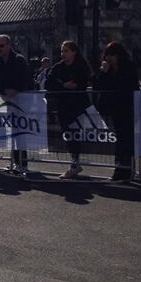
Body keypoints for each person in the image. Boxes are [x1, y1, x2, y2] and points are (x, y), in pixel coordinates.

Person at [94, 41, 140, 182]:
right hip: (115, 108)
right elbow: (98, 86)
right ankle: (119, 169)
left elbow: (123, 86)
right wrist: (103, 72)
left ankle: (127, 170)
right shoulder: (107, 69)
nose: (109, 58)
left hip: (127, 107)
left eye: (112, 55)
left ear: (119, 55)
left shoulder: (127, 67)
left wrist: (110, 75)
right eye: (107, 55)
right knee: (120, 140)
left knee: (127, 140)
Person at [45, 41, 92, 179]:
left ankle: (75, 164)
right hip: (63, 106)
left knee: (75, 134)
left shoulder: (81, 66)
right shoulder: (58, 67)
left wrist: (74, 85)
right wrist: (63, 85)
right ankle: (75, 163)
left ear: (74, 52)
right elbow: (49, 82)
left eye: (66, 51)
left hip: (78, 105)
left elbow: (82, 82)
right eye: (62, 51)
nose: (63, 54)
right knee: (68, 134)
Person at [0, 35, 30, 174]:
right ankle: (14, 162)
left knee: (21, 133)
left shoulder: (19, 60)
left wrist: (15, 90)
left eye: (2, 45)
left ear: (9, 45)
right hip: (4, 101)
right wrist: (4, 90)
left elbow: (27, 80)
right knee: (11, 133)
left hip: (20, 101)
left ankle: (22, 163)